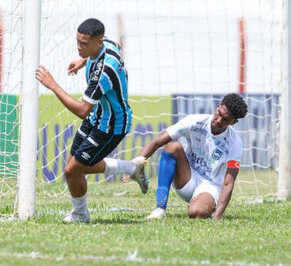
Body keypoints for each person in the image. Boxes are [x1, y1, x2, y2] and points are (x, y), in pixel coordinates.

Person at [35, 18, 148, 223]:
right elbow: (117, 46)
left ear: (98, 42)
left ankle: (81, 215)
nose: (79, 47)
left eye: (84, 44)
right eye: (78, 42)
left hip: (112, 126)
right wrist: (84, 59)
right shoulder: (107, 45)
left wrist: (52, 85)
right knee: (73, 168)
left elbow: (81, 110)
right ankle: (132, 168)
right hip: (97, 115)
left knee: (73, 171)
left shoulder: (104, 72)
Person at [135, 93, 248, 220]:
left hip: (210, 186)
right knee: (172, 147)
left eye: (226, 120)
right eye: (219, 114)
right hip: (187, 177)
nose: (219, 121)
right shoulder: (195, 121)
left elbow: (228, 183)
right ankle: (160, 209)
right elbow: (156, 143)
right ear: (218, 106)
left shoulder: (234, 143)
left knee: (196, 213)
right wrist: (134, 166)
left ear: (233, 122)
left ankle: (205, 205)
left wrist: (218, 217)